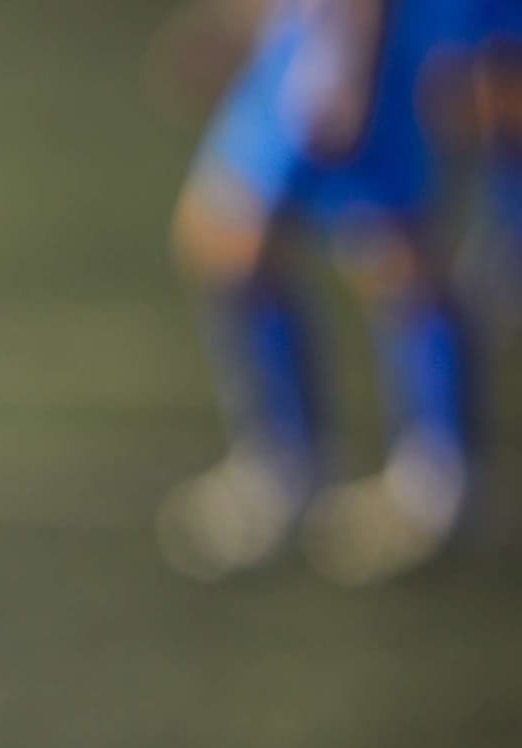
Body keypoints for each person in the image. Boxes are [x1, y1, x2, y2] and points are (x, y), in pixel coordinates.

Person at [158, 0, 488, 583]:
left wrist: (350, 61)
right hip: (312, 35)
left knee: (392, 252)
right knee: (228, 239)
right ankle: (296, 462)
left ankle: (432, 476)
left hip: (344, 42)